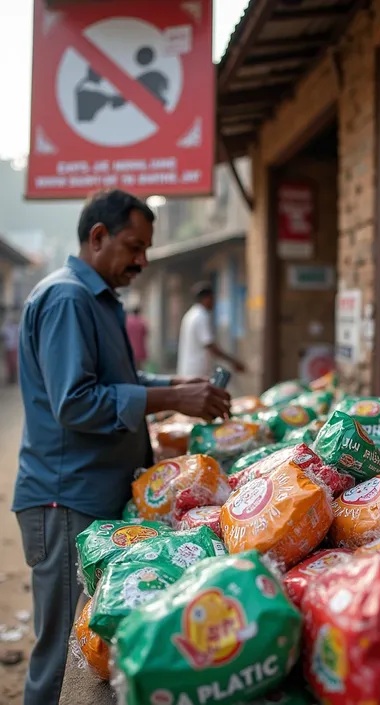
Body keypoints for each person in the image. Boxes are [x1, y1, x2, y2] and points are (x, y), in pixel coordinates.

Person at [12, 190, 230, 705]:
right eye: (134, 246)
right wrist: (173, 396)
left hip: (91, 495)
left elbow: (116, 379)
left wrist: (173, 383)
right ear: (97, 237)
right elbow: (76, 402)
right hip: (65, 499)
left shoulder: (96, 298)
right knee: (64, 649)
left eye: (147, 248)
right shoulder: (67, 298)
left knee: (87, 641)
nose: (142, 260)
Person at [177, 282, 246, 378]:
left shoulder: (192, 314)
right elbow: (210, 345)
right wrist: (233, 361)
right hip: (196, 372)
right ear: (206, 298)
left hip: (190, 369)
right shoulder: (201, 316)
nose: (214, 302)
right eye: (212, 298)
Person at [1, 311, 19, 384]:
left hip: (12, 347)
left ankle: (13, 378)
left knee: (12, 364)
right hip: (10, 347)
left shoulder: (15, 327)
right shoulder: (7, 328)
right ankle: (11, 379)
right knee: (10, 364)